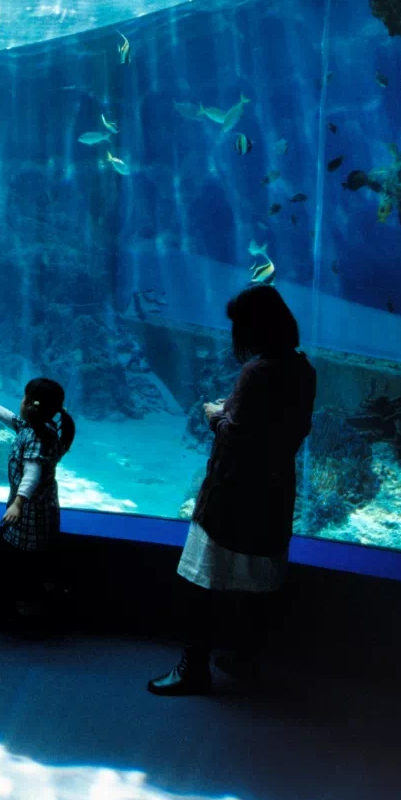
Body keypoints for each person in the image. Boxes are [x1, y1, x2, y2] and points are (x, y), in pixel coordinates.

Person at [148, 284, 316, 696]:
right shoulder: (303, 369)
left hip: (232, 496)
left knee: (202, 583)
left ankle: (193, 667)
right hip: (274, 494)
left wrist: (214, 415)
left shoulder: (257, 372)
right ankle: (245, 657)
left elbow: (235, 437)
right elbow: (286, 430)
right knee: (255, 581)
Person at [0, 379, 77, 624]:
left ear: (31, 404)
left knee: (28, 562)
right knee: (31, 559)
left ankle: (28, 613)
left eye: (23, 397)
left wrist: (18, 503)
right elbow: (5, 415)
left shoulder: (36, 438)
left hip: (31, 512)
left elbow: (32, 473)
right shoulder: (40, 427)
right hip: (39, 508)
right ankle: (29, 605)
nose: (19, 402)